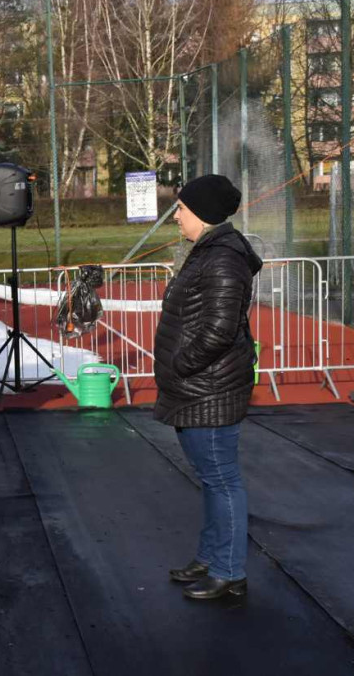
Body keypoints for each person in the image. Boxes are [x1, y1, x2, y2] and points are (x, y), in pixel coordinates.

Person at [154, 174, 262, 600]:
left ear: (202, 213)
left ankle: (229, 571)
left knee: (222, 480)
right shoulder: (209, 252)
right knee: (212, 478)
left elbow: (218, 330)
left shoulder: (222, 258)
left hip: (208, 388)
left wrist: (181, 365)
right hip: (197, 387)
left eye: (181, 208)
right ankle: (212, 556)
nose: (176, 215)